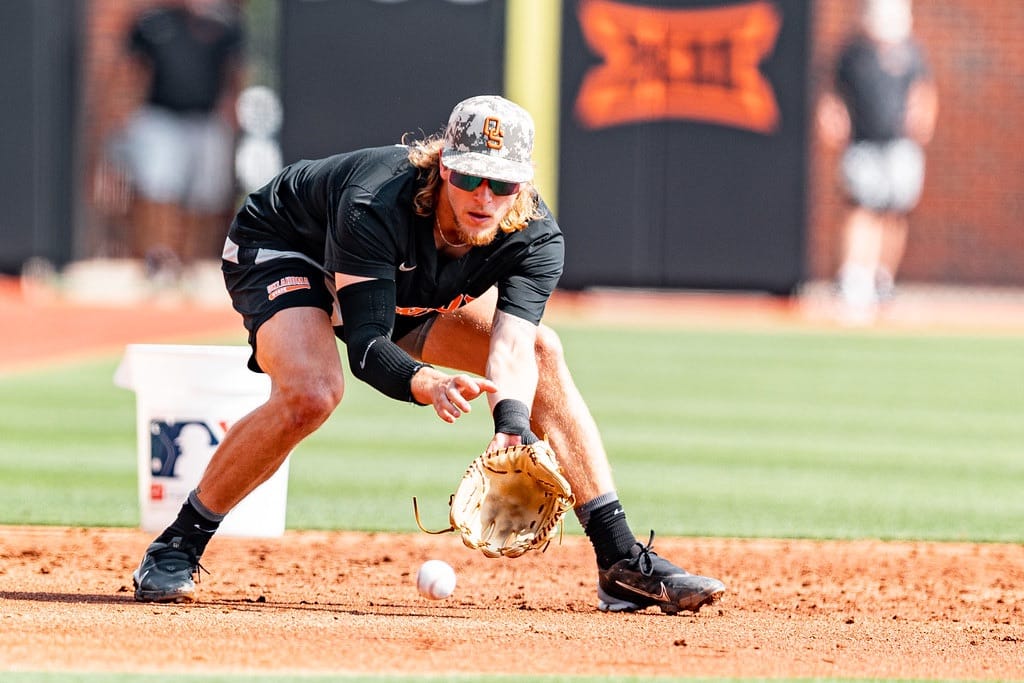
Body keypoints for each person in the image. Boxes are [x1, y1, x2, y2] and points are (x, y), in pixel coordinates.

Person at [129, 95, 726, 614]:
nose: (483, 195)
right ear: (443, 167)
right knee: (312, 393)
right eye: (468, 176)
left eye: (502, 183)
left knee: (545, 350)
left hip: (405, 287)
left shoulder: (536, 238)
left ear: (524, 184)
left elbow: (513, 345)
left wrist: (511, 426)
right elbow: (366, 344)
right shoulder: (375, 202)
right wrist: (425, 382)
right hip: (287, 248)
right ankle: (178, 544)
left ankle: (619, 562)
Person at [817, 0, 938, 322]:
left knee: (894, 212)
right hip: (863, 143)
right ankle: (855, 276)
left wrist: (923, 119)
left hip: (900, 145)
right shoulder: (853, 53)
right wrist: (831, 116)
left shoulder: (912, 52)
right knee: (861, 208)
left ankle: (882, 278)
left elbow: (923, 92)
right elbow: (832, 93)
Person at [115, 0, 244, 284]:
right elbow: (130, 68)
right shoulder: (152, 21)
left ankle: (190, 263)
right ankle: (157, 259)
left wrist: (232, 111)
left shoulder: (223, 24)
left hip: (206, 120)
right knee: (157, 190)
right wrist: (125, 108)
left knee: (204, 197)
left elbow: (234, 72)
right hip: (159, 117)